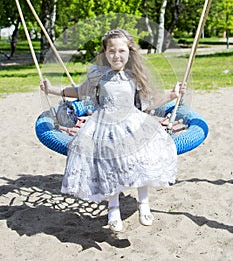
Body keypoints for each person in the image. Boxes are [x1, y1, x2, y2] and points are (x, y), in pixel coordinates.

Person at [40, 29, 185, 232]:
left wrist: (173, 94)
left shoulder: (134, 76)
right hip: (104, 123)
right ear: (105, 53)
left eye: (121, 51)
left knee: (141, 156)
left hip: (132, 120)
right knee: (109, 162)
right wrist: (51, 89)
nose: (117, 55)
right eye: (112, 51)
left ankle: (144, 202)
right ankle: (113, 208)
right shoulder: (98, 75)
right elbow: (80, 93)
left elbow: (149, 102)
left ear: (129, 52)